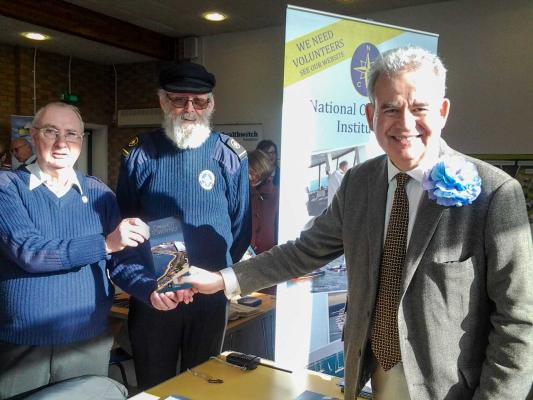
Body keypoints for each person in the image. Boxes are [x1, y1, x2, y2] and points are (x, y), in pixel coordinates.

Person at [182, 47, 533, 399]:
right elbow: (304, 251)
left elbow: (518, 321)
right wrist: (222, 279)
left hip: (450, 390)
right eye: (390, 108)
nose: (405, 123)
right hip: (371, 377)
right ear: (370, 115)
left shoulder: (495, 194)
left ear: (442, 112)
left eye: (419, 108)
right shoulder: (358, 183)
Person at [0, 102, 187, 399]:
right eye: (51, 131)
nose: (62, 143)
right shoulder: (7, 186)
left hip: (88, 341)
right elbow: (29, 251)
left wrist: (151, 290)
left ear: (80, 141)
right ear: (34, 136)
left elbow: (122, 263)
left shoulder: (100, 193)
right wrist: (105, 243)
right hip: (23, 343)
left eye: (71, 134)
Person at [116, 61, 251, 389]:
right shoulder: (140, 154)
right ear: (163, 102)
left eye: (199, 101)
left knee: (202, 386)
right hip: (155, 297)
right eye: (179, 100)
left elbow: (240, 229)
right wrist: (150, 285)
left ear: (211, 105)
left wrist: (214, 278)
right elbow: (125, 229)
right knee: (153, 385)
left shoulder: (230, 156)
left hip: (208, 299)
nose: (189, 109)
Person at [248, 149, 279, 255]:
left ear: (262, 169)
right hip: (244, 258)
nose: (249, 176)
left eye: (253, 172)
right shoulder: (240, 195)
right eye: (247, 172)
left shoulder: (277, 194)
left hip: (270, 257)